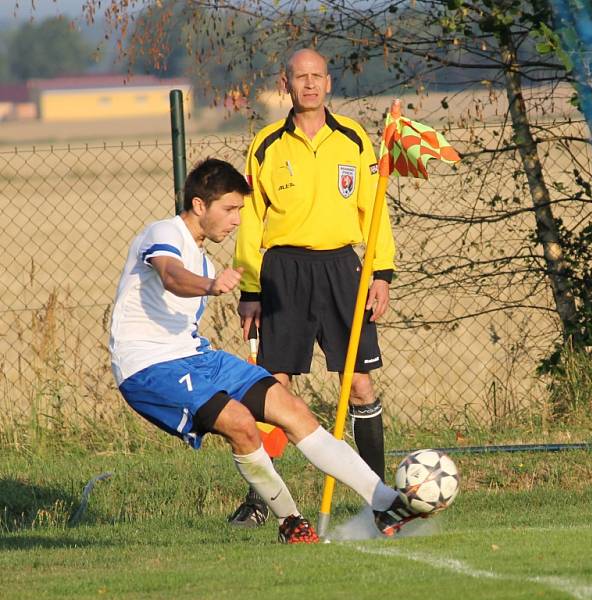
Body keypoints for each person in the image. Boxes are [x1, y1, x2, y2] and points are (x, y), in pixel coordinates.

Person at [108, 158, 418, 542]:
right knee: (240, 424)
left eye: (240, 209)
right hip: (149, 367)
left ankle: (387, 503)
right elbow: (171, 276)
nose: (237, 219)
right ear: (200, 205)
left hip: (195, 356)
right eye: (230, 209)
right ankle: (290, 521)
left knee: (291, 409)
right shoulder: (164, 233)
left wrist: (212, 282)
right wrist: (209, 286)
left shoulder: (203, 256)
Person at [229, 48, 396, 527]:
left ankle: (379, 500)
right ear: (286, 83)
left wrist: (380, 272)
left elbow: (374, 209)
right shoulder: (266, 145)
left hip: (343, 271)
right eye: (299, 77)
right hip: (284, 273)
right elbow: (251, 222)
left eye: (316, 76)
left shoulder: (354, 140)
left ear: (329, 82)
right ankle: (262, 502)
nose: (308, 84)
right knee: (273, 390)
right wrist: (251, 289)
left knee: (360, 385)